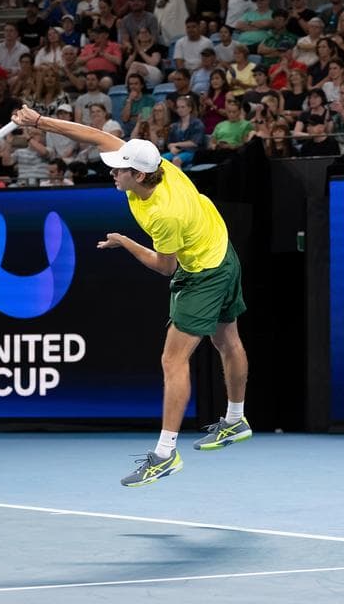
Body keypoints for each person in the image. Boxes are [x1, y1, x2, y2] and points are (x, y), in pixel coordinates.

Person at [13, 104, 253, 485]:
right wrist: (40, 122)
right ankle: (236, 421)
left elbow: (166, 267)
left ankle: (164, 454)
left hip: (203, 273)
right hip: (222, 249)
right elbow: (93, 136)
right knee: (228, 341)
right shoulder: (156, 166)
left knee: (173, 361)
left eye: (120, 169)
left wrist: (125, 242)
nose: (113, 172)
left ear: (139, 174)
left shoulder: (164, 213)